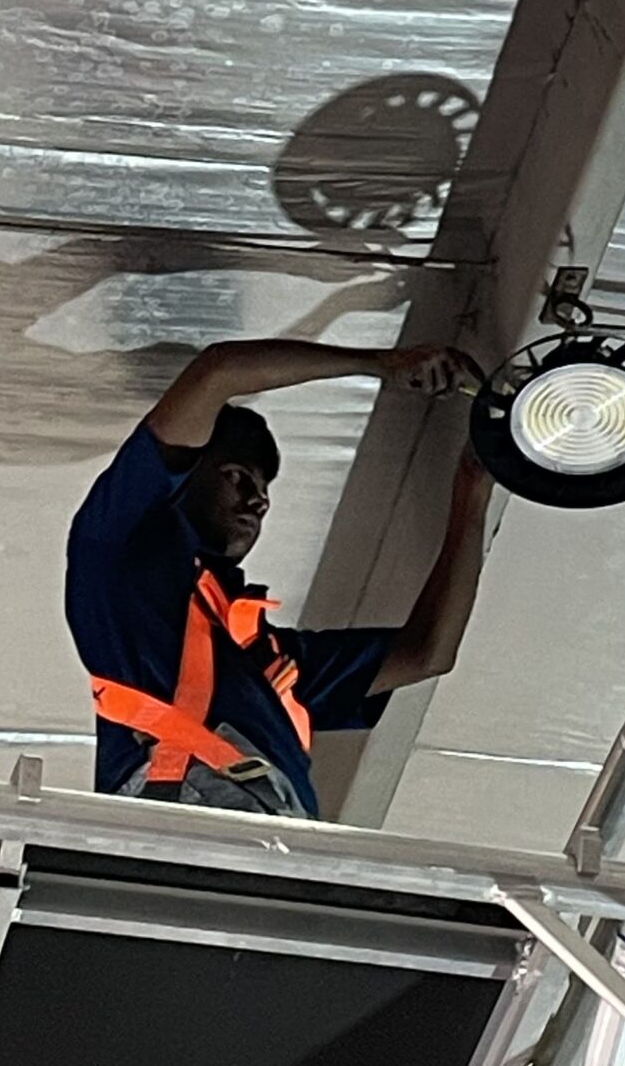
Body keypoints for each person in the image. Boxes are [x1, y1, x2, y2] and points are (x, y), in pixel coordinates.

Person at [65, 337, 493, 817]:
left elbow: (427, 653)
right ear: (183, 478)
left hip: (269, 833)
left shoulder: (271, 666)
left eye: (264, 489)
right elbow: (217, 372)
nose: (259, 501)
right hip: (188, 817)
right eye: (237, 476)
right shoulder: (118, 551)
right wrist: (378, 363)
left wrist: (473, 487)